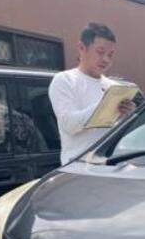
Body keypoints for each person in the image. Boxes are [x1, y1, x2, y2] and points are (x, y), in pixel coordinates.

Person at [48, 23, 136, 165]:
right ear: (81, 48)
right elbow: (68, 124)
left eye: (110, 54)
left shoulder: (114, 86)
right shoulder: (65, 80)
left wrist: (128, 116)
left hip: (111, 165)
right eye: (100, 52)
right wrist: (104, 105)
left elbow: (121, 134)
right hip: (79, 167)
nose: (106, 59)